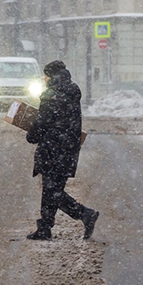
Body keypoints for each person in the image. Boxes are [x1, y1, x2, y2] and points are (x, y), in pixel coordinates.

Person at [25, 60, 99, 240]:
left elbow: (42, 122)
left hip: (53, 148)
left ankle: (85, 214)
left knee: (53, 191)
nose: (44, 79)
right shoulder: (72, 90)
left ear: (51, 76)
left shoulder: (52, 94)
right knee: (52, 190)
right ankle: (45, 227)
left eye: (45, 75)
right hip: (68, 148)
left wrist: (31, 135)